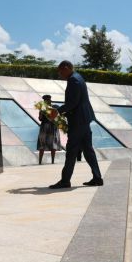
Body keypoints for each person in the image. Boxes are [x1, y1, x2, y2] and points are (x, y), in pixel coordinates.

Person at [48, 61, 103, 189]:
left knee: (72, 150)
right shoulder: (78, 77)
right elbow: (75, 101)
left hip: (78, 121)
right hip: (83, 119)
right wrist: (60, 109)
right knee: (88, 150)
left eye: (60, 71)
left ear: (66, 68)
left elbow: (73, 102)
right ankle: (97, 178)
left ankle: (65, 181)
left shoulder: (74, 80)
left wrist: (58, 111)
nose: (60, 74)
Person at [37, 94, 63, 164]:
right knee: (42, 144)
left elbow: (59, 116)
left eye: (48, 100)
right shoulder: (43, 108)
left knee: (53, 144)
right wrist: (41, 113)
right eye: (46, 100)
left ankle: (52, 161)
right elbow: (40, 118)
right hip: (44, 127)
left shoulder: (55, 107)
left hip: (53, 126)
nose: (47, 101)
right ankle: (40, 161)